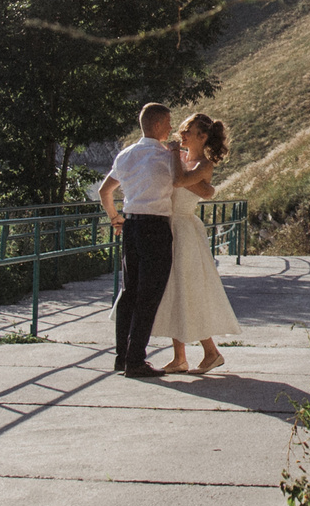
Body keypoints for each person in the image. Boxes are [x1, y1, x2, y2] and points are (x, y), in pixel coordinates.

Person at [97, 101, 179, 377]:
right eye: (168, 122)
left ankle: (122, 356)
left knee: (128, 293)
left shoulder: (126, 155)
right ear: (157, 125)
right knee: (149, 294)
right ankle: (136, 360)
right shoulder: (167, 156)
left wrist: (114, 217)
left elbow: (104, 191)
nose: (171, 128)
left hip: (131, 225)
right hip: (155, 227)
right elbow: (183, 180)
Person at [156, 112, 240, 375]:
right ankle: (180, 357)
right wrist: (205, 190)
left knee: (186, 289)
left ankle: (211, 352)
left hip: (184, 229)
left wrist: (205, 188)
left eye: (187, 131)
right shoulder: (182, 159)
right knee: (173, 289)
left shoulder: (203, 164)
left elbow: (179, 181)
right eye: (182, 129)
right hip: (170, 225)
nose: (181, 135)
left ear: (202, 137)